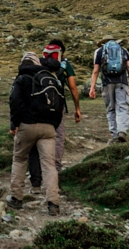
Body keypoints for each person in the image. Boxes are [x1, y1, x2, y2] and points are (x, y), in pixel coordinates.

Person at [5, 52, 63, 216]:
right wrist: (54, 125)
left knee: (19, 159)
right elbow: (60, 105)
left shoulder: (22, 78)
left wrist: (14, 124)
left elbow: (14, 101)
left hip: (27, 126)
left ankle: (16, 198)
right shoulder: (50, 79)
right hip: (49, 128)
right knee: (49, 165)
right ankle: (53, 203)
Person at [28, 40, 82, 191]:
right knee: (58, 136)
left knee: (37, 137)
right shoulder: (65, 64)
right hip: (58, 107)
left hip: (39, 106)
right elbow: (72, 87)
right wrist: (77, 108)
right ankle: (55, 168)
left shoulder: (39, 61)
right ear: (61, 52)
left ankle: (36, 176)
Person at [90, 38, 129, 143]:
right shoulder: (123, 50)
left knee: (111, 108)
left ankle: (114, 135)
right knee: (122, 107)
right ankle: (122, 131)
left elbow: (96, 71)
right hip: (122, 82)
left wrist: (92, 87)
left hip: (107, 83)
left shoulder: (99, 51)